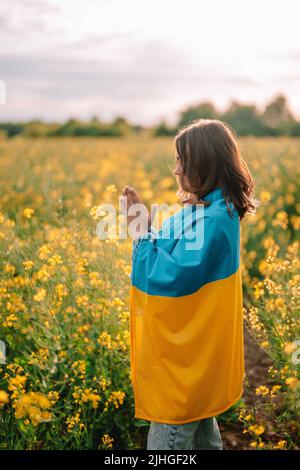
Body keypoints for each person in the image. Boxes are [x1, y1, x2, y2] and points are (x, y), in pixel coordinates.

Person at [122, 119, 257, 450]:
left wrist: (140, 234)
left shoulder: (213, 218)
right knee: (201, 431)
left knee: (171, 436)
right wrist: (146, 230)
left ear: (203, 163)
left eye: (182, 160)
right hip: (193, 358)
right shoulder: (206, 209)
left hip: (185, 360)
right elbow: (172, 253)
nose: (176, 169)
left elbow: (173, 278)